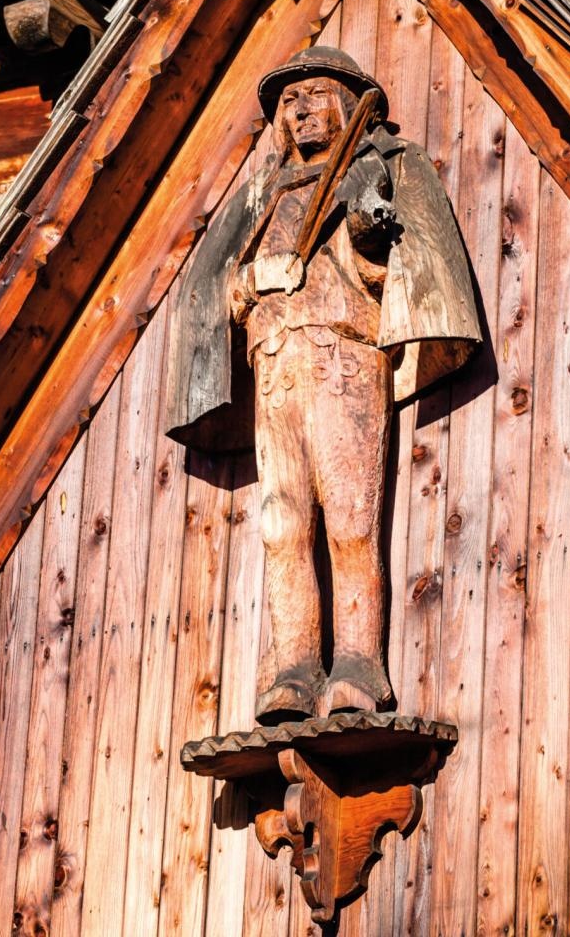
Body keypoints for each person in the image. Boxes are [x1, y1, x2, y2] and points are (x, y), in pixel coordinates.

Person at [164, 46, 481, 726]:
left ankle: (359, 663)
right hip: (275, 363)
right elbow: (216, 286)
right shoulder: (263, 194)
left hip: (343, 355)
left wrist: (365, 234)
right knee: (281, 524)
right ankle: (294, 667)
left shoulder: (378, 167)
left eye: (313, 95)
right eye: (289, 102)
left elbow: (400, 270)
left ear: (345, 102)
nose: (301, 111)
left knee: (348, 515)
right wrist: (252, 282)